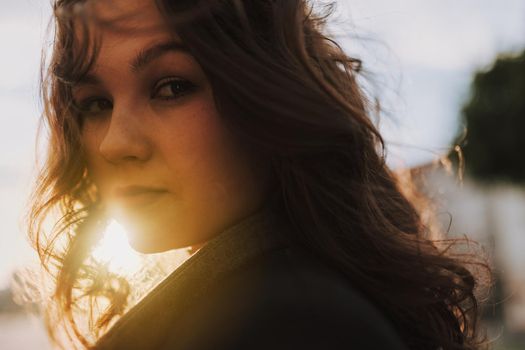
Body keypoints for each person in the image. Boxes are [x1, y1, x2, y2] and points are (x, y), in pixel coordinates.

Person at [26, 0, 489, 349]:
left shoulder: (293, 322)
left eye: (171, 87)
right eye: (95, 103)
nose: (115, 143)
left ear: (266, 92)